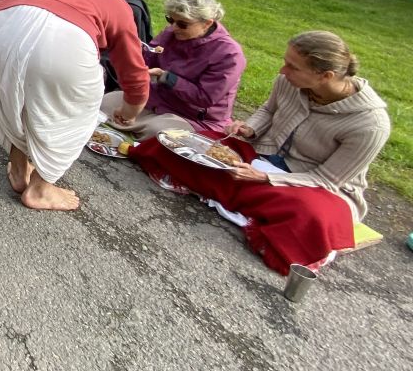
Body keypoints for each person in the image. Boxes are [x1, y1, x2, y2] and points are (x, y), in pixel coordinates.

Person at [127, 31, 390, 274]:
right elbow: (269, 110)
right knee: (185, 143)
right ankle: (246, 202)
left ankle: (230, 195)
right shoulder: (288, 81)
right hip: (259, 156)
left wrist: (265, 178)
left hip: (312, 185)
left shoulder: (370, 124)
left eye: (293, 67)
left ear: (326, 76)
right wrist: (251, 128)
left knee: (309, 216)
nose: (282, 70)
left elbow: (327, 179)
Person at [0, 0, 150, 211]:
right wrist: (130, 112)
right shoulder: (115, 1)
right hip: (62, 43)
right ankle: (40, 189)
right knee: (76, 111)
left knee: (13, 99)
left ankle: (18, 170)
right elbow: (134, 72)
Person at [102, 0, 245, 139]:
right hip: (157, 101)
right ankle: (132, 131)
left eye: (183, 24)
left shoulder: (229, 54)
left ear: (207, 23)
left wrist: (167, 78)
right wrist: (136, 53)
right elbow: (148, 59)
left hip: (191, 117)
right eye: (170, 20)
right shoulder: (171, 33)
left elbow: (205, 98)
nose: (174, 27)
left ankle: (131, 131)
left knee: (159, 133)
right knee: (105, 102)